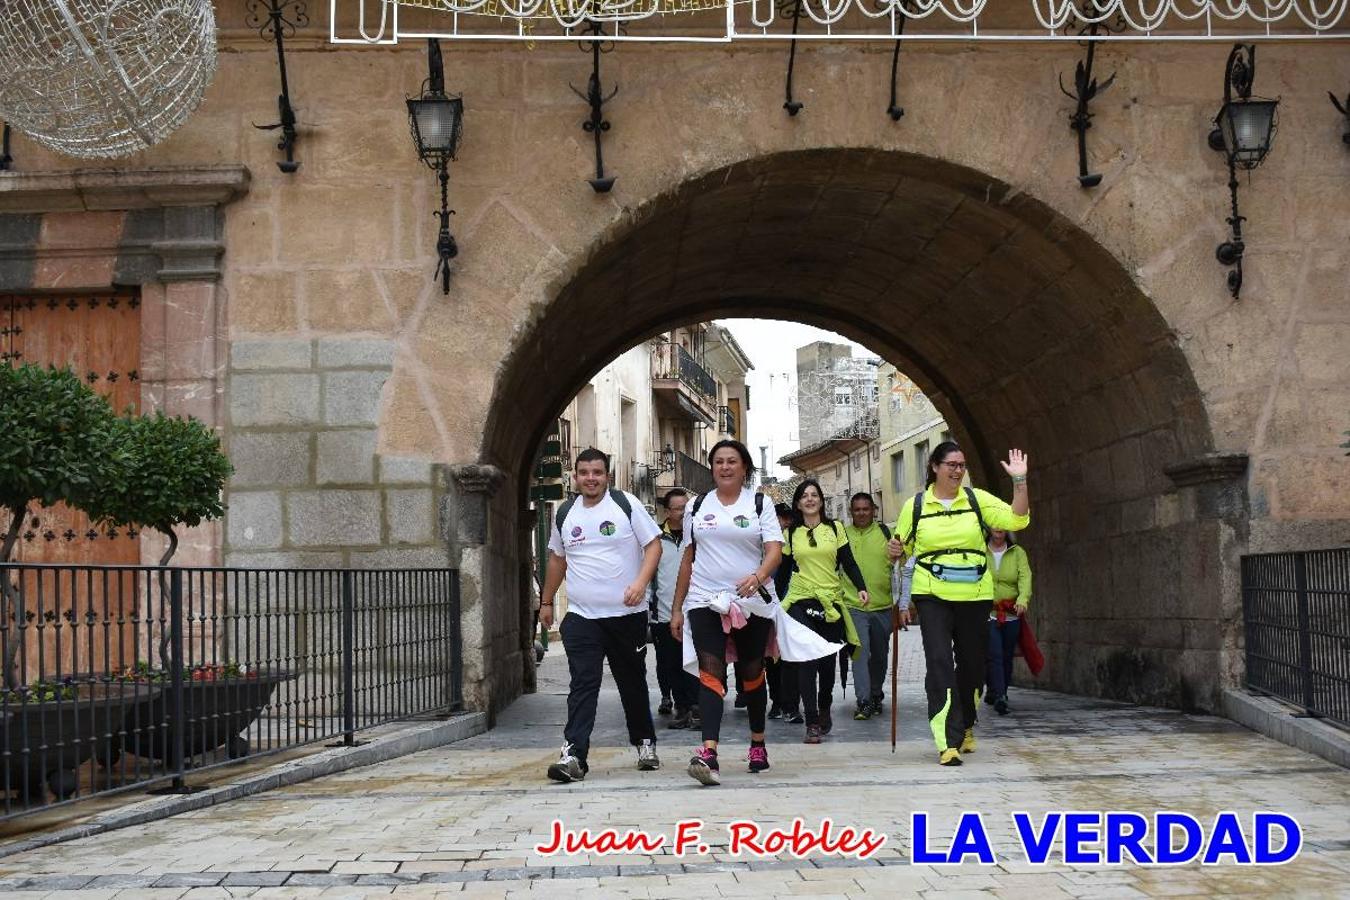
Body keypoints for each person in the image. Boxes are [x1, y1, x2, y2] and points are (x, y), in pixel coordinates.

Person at [671, 441, 842, 786]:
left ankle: (758, 743)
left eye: (732, 461)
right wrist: (677, 607)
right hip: (705, 598)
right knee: (711, 671)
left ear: (744, 467)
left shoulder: (759, 503)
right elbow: (687, 559)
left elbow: (775, 552)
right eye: (718, 461)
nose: (724, 467)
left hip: (751, 599)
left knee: (751, 671)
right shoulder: (697, 506)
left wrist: (759, 577)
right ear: (712, 467)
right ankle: (709, 753)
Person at [887, 442, 1030, 766]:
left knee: (973, 666)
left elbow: (1017, 519)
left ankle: (965, 723)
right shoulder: (917, 505)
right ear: (935, 467)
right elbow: (899, 549)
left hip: (975, 594)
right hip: (932, 593)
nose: (957, 470)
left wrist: (1019, 482)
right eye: (951, 464)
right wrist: (893, 551)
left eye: (962, 465)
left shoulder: (977, 500)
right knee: (938, 662)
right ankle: (946, 741)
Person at [540, 448, 664, 783]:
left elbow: (654, 545)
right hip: (582, 617)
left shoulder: (625, 504)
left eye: (597, 472)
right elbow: (556, 560)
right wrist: (546, 601)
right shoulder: (566, 513)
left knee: (631, 682)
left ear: (606, 475)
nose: (590, 478)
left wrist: (641, 583)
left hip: (627, 616)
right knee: (583, 683)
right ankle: (574, 755)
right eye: (584, 472)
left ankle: (645, 742)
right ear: (575, 476)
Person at [779, 480, 869, 744]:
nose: (810, 499)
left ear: (821, 501)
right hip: (800, 601)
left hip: (830, 602)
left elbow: (848, 561)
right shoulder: (790, 534)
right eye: (805, 496)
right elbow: (783, 572)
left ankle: (825, 706)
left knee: (828, 665)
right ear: (798, 503)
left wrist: (861, 587)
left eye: (814, 495)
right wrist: (773, 600)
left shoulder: (835, 528)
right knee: (806, 662)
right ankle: (812, 721)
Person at [842, 492, 911, 721]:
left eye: (866, 509)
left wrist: (903, 604)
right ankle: (863, 701)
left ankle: (874, 694)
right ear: (851, 512)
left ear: (874, 510)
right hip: (853, 605)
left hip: (882, 606)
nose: (861, 513)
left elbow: (905, 564)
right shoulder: (842, 535)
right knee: (860, 654)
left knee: (880, 655)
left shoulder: (886, 534)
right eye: (857, 509)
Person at [650, 488, 700, 729]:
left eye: (686, 508)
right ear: (667, 512)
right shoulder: (656, 540)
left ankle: (697, 707)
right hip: (665, 614)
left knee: (697, 662)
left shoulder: (700, 537)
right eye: (678, 508)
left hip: (697, 612)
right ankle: (681, 708)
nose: (683, 513)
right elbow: (649, 576)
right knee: (671, 663)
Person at [985, 528, 1031, 716]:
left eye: (1002, 525)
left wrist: (1023, 600)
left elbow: (1025, 578)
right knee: (994, 653)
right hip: (988, 613)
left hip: (1011, 612)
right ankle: (1000, 695)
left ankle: (999, 690)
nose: (999, 529)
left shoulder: (1017, 552)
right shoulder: (981, 550)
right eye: (995, 525)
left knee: (1006, 654)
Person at [766, 502, 799, 722]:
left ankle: (791, 703)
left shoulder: (796, 542)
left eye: (788, 519)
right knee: (772, 659)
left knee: (791, 658)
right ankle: (777, 701)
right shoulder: (764, 543)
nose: (784, 523)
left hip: (792, 606)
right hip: (768, 608)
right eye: (781, 518)